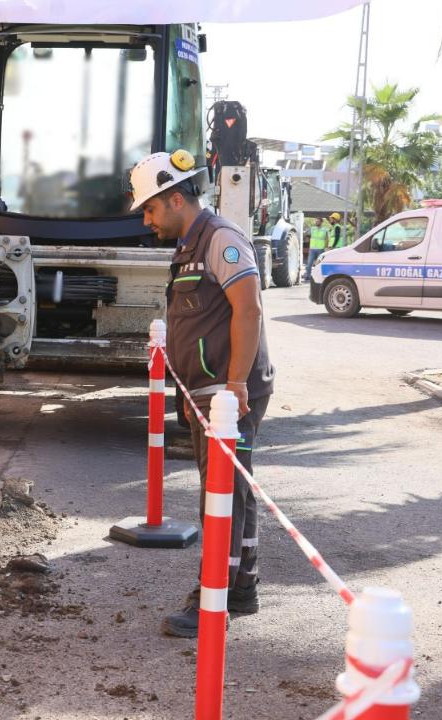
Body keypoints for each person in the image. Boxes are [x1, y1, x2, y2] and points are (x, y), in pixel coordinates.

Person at [128, 149, 275, 638]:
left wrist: (233, 387)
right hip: (210, 389)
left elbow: (248, 310)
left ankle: (212, 599)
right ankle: (244, 587)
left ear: (174, 199)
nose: (146, 219)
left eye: (149, 208)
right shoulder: (191, 244)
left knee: (222, 494)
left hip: (228, 391)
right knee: (235, 486)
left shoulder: (222, 240)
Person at [307, 216, 331, 282]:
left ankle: (317, 277)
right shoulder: (312, 229)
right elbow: (306, 236)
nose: (316, 222)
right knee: (309, 264)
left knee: (319, 265)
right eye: (316, 221)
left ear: (321, 222)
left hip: (321, 249)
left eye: (318, 221)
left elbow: (328, 238)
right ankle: (307, 276)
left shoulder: (325, 230)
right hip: (312, 249)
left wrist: (328, 247)